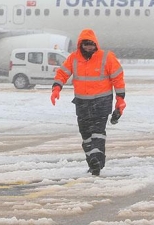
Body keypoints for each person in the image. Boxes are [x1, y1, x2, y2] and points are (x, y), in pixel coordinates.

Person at [50, 29, 125, 176]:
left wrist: (120, 99)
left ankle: (96, 161)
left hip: (102, 102)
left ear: (96, 44)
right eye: (86, 45)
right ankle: (93, 161)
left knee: (97, 133)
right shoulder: (74, 58)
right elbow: (63, 73)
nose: (89, 48)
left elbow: (118, 78)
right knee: (85, 134)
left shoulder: (106, 58)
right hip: (82, 103)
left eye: (91, 45)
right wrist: (56, 88)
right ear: (81, 45)